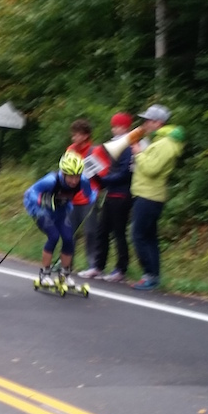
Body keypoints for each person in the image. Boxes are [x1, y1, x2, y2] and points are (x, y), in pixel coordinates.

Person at [23, 151, 97, 288]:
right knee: (54, 236)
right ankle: (44, 274)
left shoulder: (83, 181)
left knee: (69, 238)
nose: (74, 181)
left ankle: (64, 275)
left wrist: (95, 195)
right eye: (70, 177)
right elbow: (29, 193)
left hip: (60, 210)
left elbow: (90, 195)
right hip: (40, 210)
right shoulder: (51, 181)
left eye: (77, 176)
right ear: (63, 173)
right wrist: (40, 200)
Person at [79, 113, 134, 281]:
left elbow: (125, 173)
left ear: (124, 127)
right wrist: (97, 177)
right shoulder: (115, 144)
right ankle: (97, 266)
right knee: (102, 231)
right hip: (111, 193)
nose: (113, 128)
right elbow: (111, 168)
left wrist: (104, 180)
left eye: (116, 126)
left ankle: (120, 269)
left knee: (118, 232)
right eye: (113, 125)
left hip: (122, 194)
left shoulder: (129, 146)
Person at [130, 123, 185, 291]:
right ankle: (153, 276)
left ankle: (149, 275)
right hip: (149, 195)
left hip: (149, 196)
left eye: (149, 121)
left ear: (158, 123)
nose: (145, 125)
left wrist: (138, 152)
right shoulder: (162, 142)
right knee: (149, 237)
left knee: (138, 235)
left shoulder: (165, 144)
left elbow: (151, 169)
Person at [65, 118, 99, 265]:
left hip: (89, 197)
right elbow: (64, 171)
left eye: (77, 135)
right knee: (68, 232)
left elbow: (100, 174)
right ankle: (67, 263)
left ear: (85, 135)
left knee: (90, 232)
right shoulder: (70, 150)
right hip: (72, 197)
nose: (74, 138)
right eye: (73, 135)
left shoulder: (95, 150)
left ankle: (92, 263)